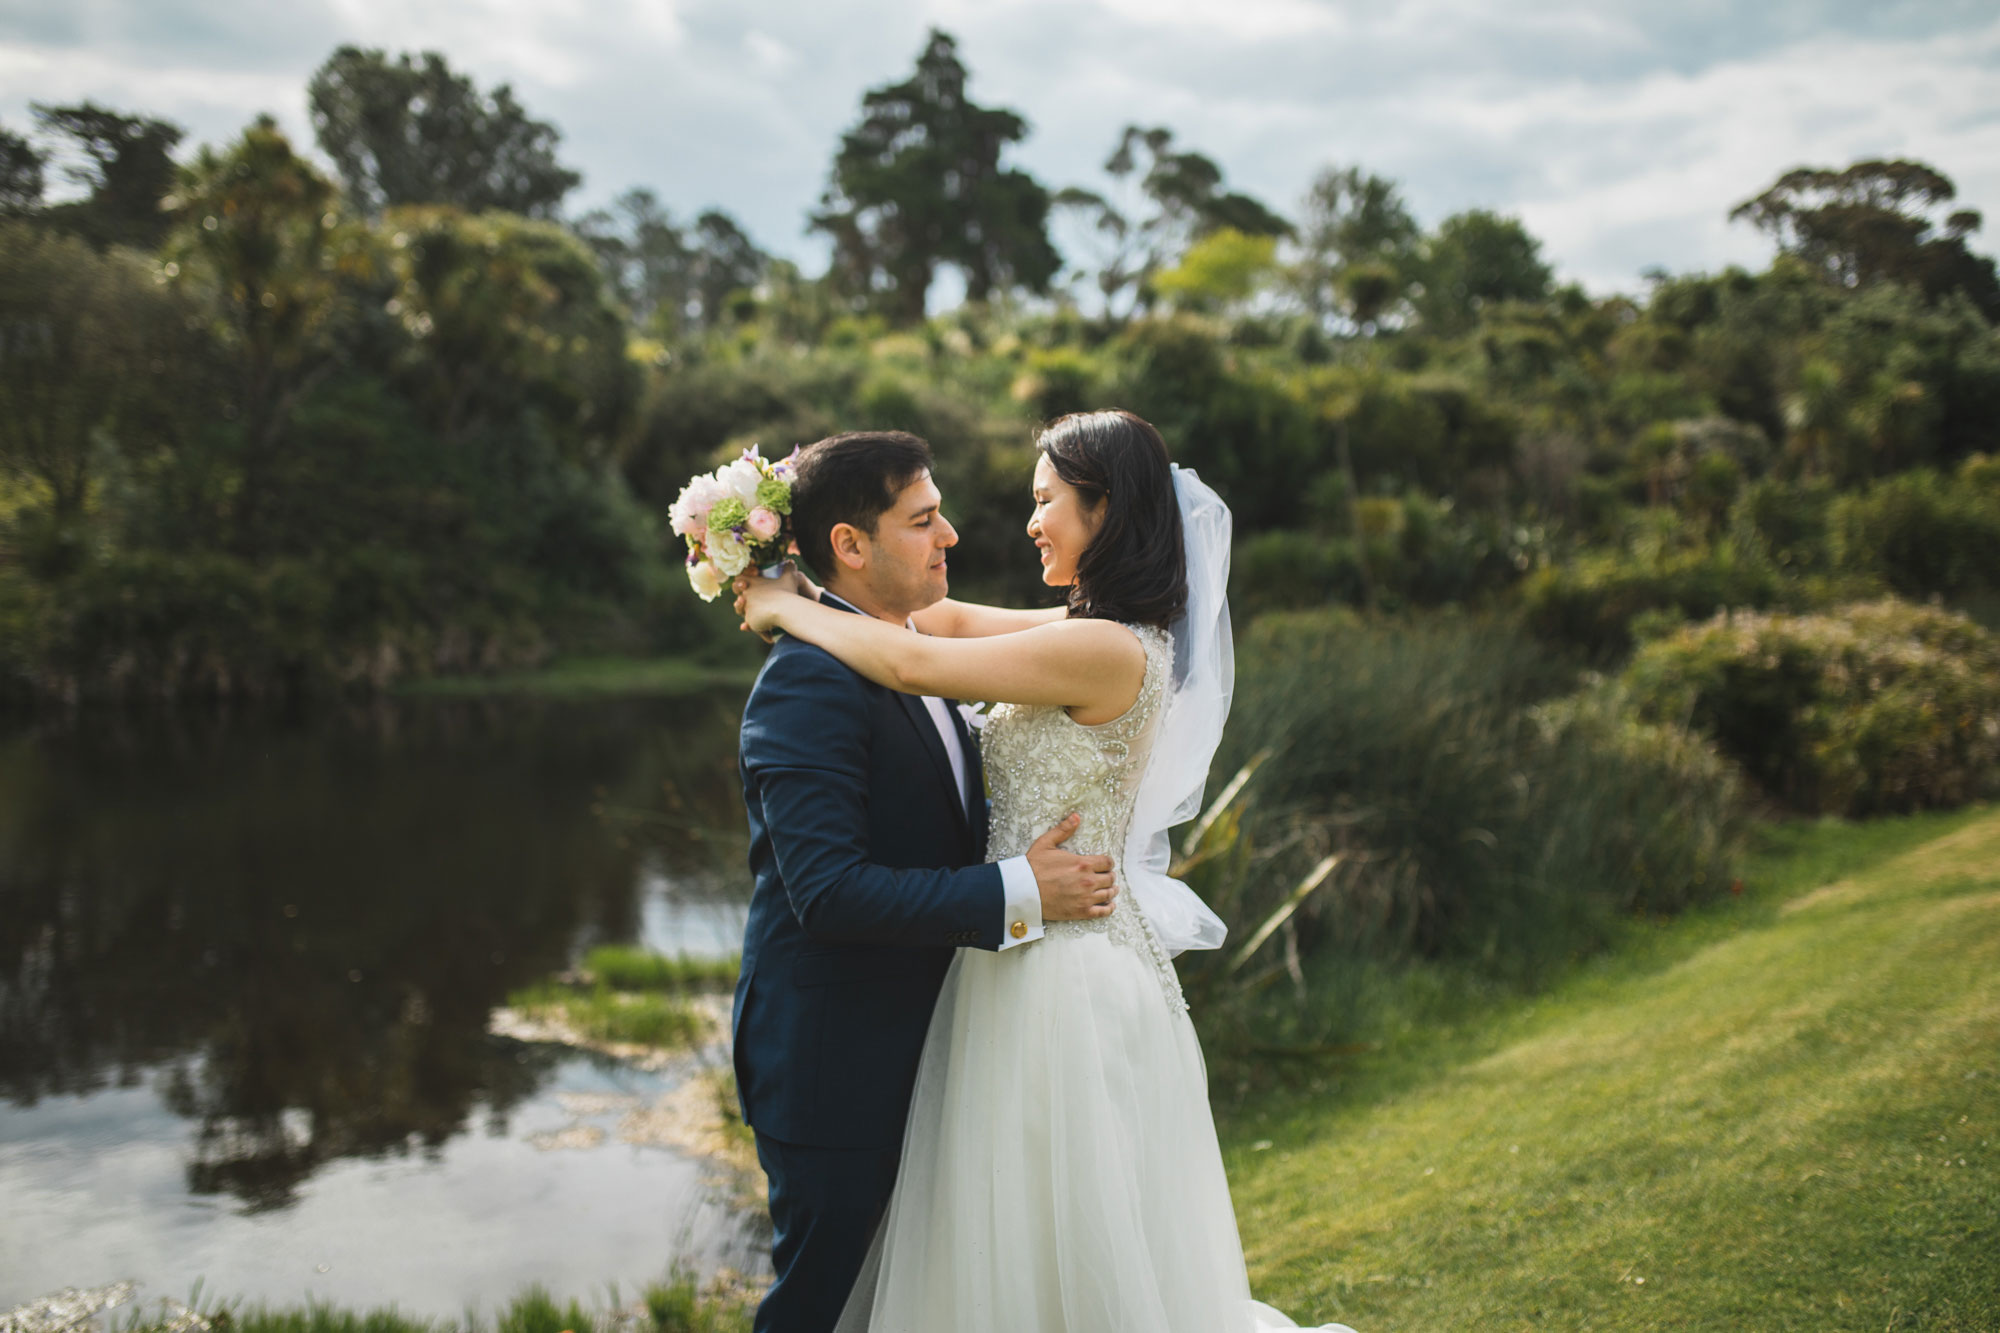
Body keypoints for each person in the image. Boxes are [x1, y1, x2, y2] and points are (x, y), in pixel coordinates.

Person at [738, 410, 1357, 1332]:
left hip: (1058, 981)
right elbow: (931, 621)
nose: (1020, 523)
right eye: (926, 518)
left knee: (1052, 1252)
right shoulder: (1094, 628)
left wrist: (786, 604)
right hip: (1002, 976)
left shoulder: (1100, 648)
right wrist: (807, 579)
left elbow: (912, 659)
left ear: (1105, 511)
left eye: (1045, 501)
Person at [731, 430, 1128, 1333]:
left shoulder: (914, 647)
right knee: (824, 1309)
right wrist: (1018, 891)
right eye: (923, 519)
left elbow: (1100, 636)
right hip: (839, 1064)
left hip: (946, 1050)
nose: (950, 534)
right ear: (849, 544)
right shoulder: (807, 686)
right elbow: (829, 893)